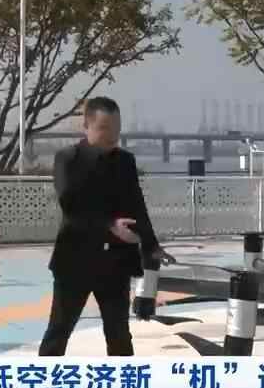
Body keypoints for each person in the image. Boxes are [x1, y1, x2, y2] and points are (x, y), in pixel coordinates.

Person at [40, 96, 174, 356]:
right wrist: (110, 226)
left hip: (116, 262)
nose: (112, 135)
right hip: (75, 261)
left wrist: (151, 245)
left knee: (119, 334)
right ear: (86, 126)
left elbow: (136, 204)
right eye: (104, 128)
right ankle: (42, 379)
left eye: (117, 128)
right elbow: (71, 206)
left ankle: (123, 381)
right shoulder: (68, 159)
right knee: (59, 331)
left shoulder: (125, 161)